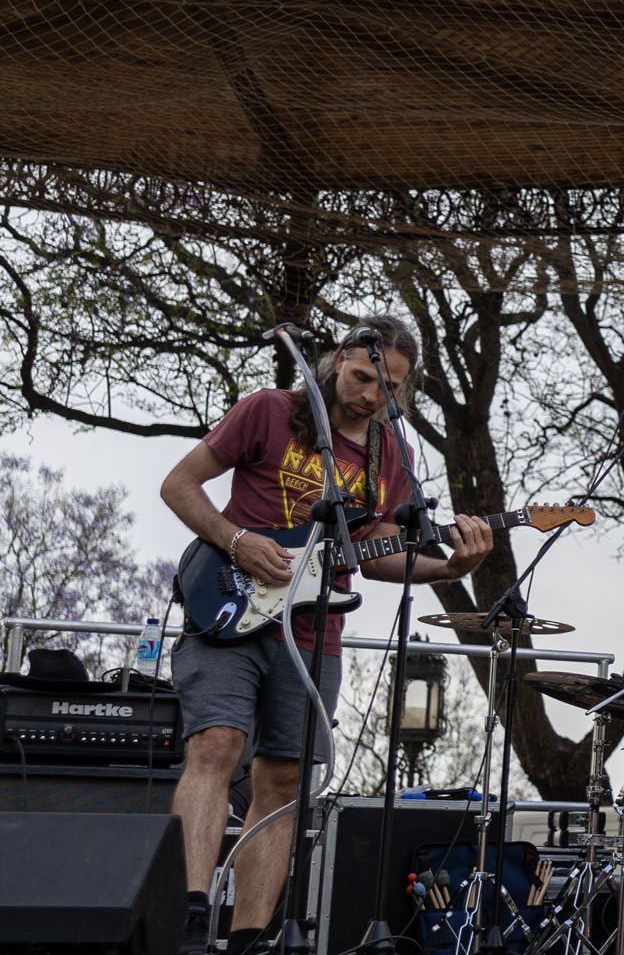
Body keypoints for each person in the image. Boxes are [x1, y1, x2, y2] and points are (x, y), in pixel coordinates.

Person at [157, 317, 494, 955]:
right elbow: (178, 485)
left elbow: (372, 555)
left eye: (387, 388)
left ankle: (252, 935)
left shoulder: (390, 453)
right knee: (216, 745)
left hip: (314, 633)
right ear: (337, 360)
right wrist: (235, 539)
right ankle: (190, 918)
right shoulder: (268, 412)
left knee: (284, 780)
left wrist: (453, 565)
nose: (370, 395)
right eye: (364, 376)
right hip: (228, 606)